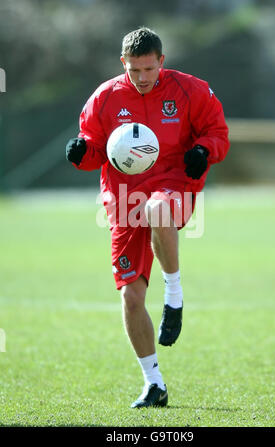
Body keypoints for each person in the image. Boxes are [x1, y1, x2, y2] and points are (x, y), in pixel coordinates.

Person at [66, 27, 230, 408]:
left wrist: (203, 150)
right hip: (123, 197)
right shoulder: (105, 97)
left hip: (173, 184)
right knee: (131, 296)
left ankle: (174, 296)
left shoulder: (190, 90)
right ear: (124, 63)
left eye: (149, 69)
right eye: (134, 70)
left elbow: (216, 133)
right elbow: (93, 146)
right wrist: (80, 152)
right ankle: (154, 383)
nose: (142, 78)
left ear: (162, 61)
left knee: (158, 209)